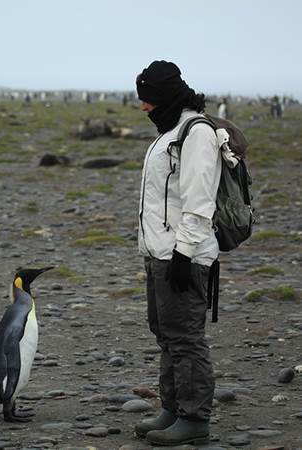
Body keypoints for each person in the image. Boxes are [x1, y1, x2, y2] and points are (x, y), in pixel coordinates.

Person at [134, 60, 221, 446]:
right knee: (165, 334)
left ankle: (194, 417)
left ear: (166, 96)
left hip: (182, 255)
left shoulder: (196, 132)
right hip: (160, 253)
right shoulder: (169, 130)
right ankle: (171, 408)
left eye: (148, 98)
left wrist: (184, 253)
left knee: (185, 337)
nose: (143, 107)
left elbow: (199, 201)